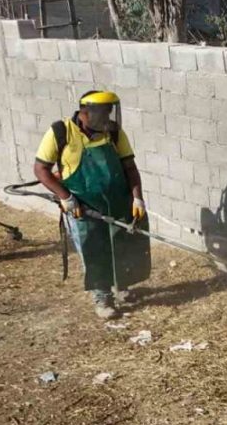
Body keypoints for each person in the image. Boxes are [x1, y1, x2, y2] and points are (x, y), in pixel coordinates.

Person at [33, 90, 150, 319]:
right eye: (102, 115)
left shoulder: (113, 132)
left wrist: (137, 197)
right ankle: (102, 296)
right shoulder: (60, 132)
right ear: (85, 113)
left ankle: (121, 285)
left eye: (109, 113)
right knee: (94, 249)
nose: (106, 119)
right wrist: (66, 197)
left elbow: (129, 167)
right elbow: (40, 170)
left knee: (121, 243)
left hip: (116, 200)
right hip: (82, 206)